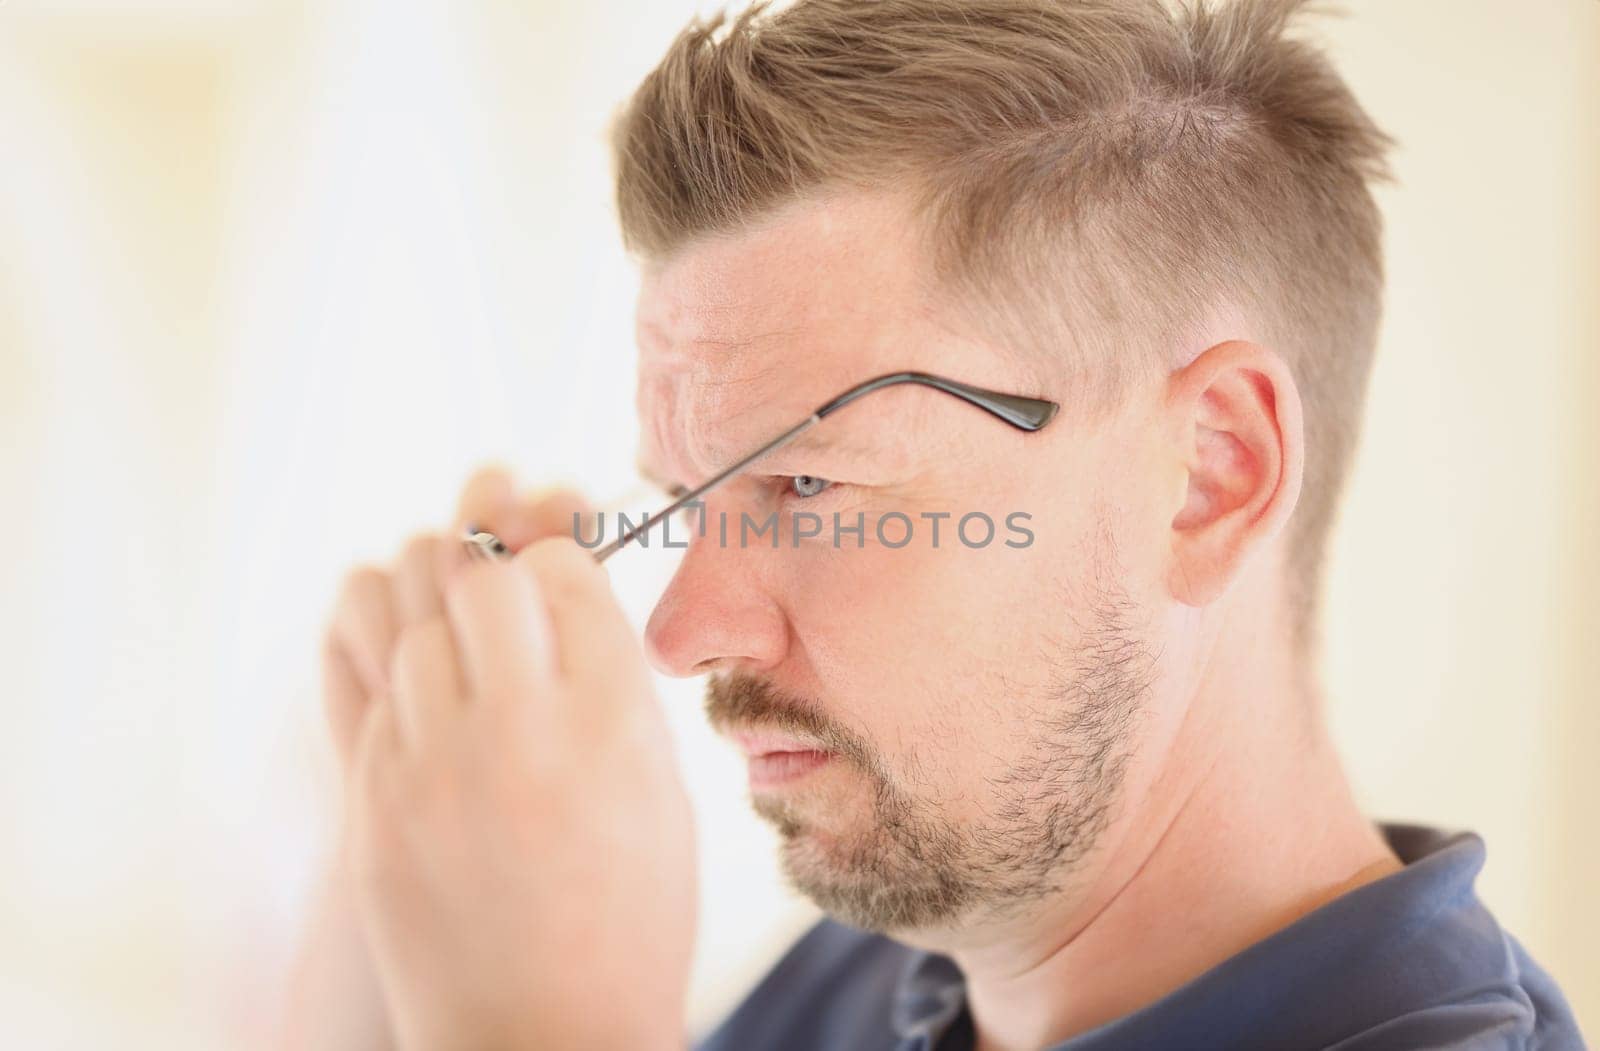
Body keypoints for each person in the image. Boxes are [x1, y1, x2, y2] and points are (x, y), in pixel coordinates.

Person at [282, 1, 1587, 1048]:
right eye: (686, 502)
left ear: (1210, 474)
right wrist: (396, 876)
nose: (681, 635)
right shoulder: (866, 985)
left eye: (808, 486)